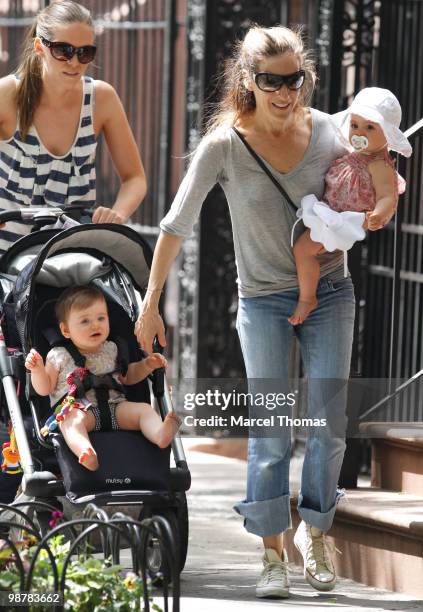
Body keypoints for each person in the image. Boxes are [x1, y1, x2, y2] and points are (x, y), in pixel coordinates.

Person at [135, 24, 362, 599]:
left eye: (295, 80)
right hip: (262, 301)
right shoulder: (225, 146)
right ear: (248, 81)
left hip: (331, 293)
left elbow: (367, 176)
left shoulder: (330, 132)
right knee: (271, 432)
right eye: (271, 82)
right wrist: (150, 299)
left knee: (329, 428)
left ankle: (316, 531)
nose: (285, 93)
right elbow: (174, 226)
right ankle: (271, 554)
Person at [0, 0, 146, 253]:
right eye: (63, 50)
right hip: (6, 255)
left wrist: (116, 214)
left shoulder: (102, 99)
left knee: (93, 294)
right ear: (39, 47)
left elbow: (135, 178)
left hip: (70, 255)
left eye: (85, 52)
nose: (75, 62)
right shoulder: (8, 94)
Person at [288, 87, 412, 325]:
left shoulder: (379, 165)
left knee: (303, 250)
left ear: (387, 134)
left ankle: (307, 298)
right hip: (330, 210)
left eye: (369, 127)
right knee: (304, 245)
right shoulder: (357, 154)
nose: (358, 132)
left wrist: (380, 214)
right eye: (355, 125)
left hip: (343, 221)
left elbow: (388, 196)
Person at [25, 286, 181, 471]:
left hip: (117, 407)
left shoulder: (112, 348)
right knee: (69, 422)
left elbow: (127, 377)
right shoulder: (57, 355)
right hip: (81, 411)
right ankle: (85, 451)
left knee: (144, 410)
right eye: (85, 321)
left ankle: (160, 434)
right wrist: (37, 370)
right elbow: (45, 389)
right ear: (66, 330)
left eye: (101, 318)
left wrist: (146, 365)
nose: (95, 325)